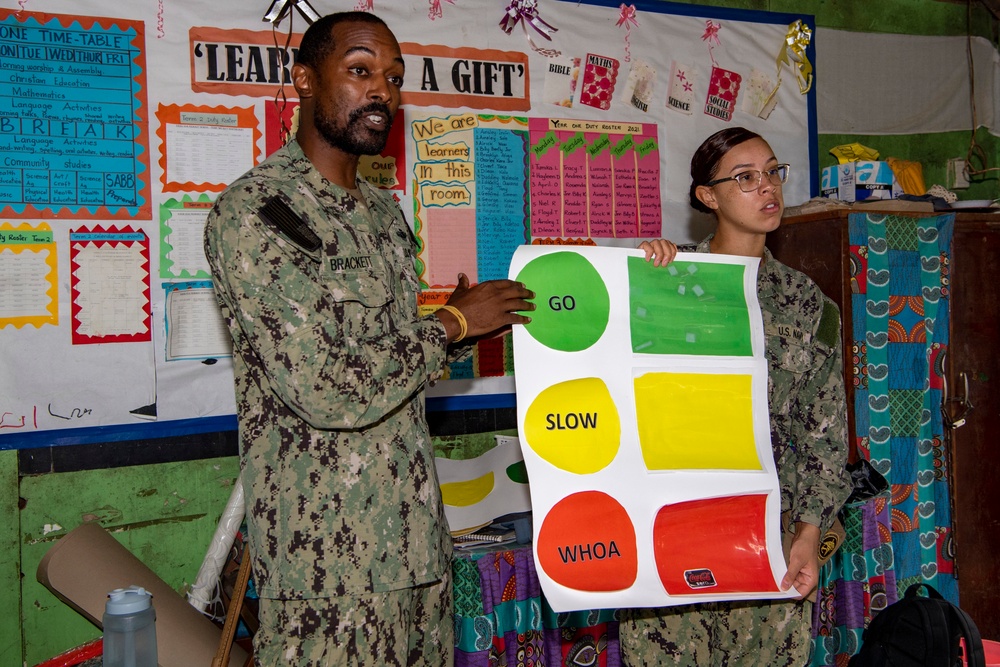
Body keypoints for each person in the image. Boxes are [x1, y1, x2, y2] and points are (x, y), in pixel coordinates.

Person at [203, 12, 534, 666]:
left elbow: (389, 363)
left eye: (393, 77)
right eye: (359, 71)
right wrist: (449, 325)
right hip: (329, 570)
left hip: (414, 546)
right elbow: (325, 387)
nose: (382, 91)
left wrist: (462, 327)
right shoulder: (258, 212)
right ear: (303, 80)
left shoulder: (384, 216)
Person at [621, 127, 851, 666]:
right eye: (744, 178)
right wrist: (638, 278)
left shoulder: (806, 304)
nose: (766, 187)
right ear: (708, 196)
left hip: (768, 534)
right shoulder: (669, 281)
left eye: (772, 172)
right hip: (672, 526)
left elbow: (824, 435)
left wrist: (808, 534)